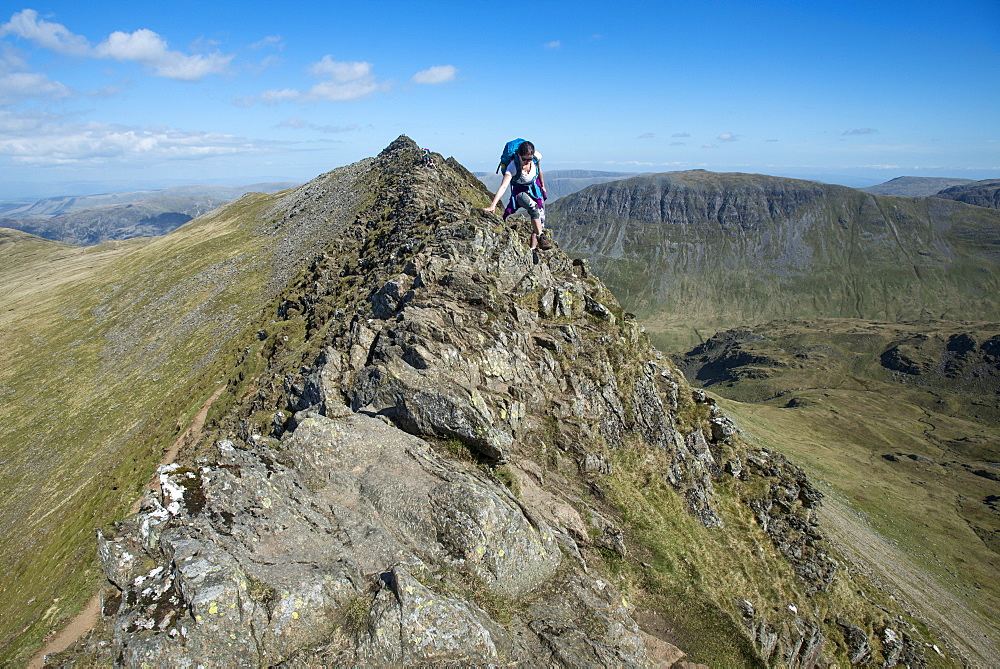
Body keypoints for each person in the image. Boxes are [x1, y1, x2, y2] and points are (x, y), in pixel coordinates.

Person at [484, 140, 553, 250]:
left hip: (534, 188)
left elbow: (539, 170)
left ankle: (534, 248)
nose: (527, 162)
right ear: (518, 155)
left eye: (529, 159)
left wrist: (542, 185)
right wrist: (493, 205)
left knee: (540, 218)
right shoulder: (513, 167)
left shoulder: (536, 158)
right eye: (524, 159)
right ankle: (541, 237)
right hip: (519, 192)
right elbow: (503, 186)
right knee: (533, 208)